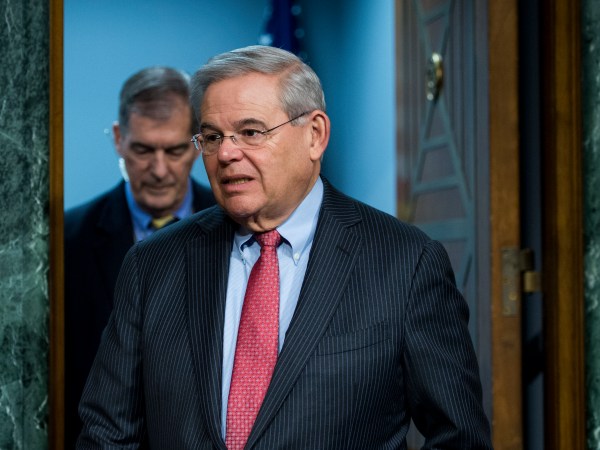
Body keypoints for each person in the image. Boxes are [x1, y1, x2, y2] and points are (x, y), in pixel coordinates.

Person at [76, 46, 492, 449]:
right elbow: (107, 434)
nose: (226, 153)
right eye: (213, 136)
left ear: (315, 135)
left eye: (250, 132)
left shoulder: (406, 261)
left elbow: (459, 437)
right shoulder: (152, 264)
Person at [64, 66, 216, 449]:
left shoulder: (242, 226)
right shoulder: (67, 238)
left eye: (175, 150)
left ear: (197, 143)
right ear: (119, 139)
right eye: (144, 150)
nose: (159, 171)